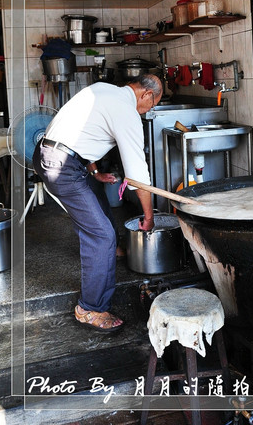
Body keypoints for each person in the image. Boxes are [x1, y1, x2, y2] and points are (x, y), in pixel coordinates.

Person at [33, 73, 163, 334]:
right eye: (153, 104)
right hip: (62, 165)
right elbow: (138, 175)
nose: (150, 110)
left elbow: (80, 132)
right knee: (100, 234)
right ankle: (90, 308)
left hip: (52, 154)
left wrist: (94, 172)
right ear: (147, 94)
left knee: (98, 198)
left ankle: (108, 252)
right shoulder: (126, 112)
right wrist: (149, 217)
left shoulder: (104, 90)